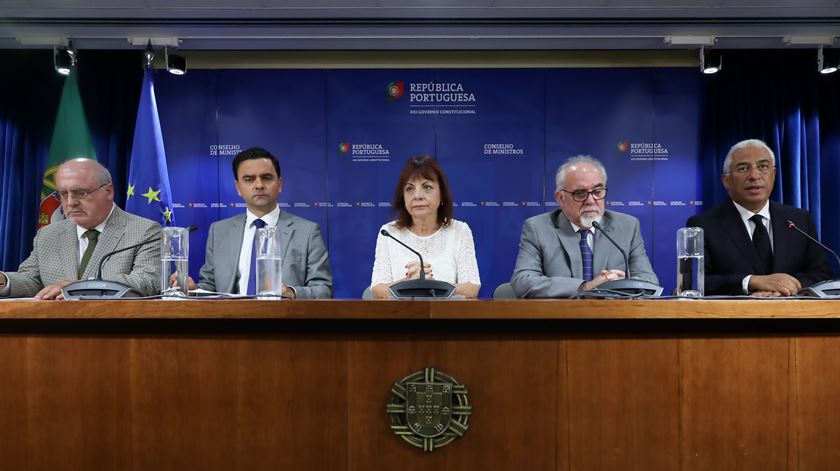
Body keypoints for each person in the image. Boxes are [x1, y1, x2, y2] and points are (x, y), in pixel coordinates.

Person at [0, 158, 161, 299]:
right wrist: (3, 281)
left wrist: (80, 287)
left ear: (108, 191)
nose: (70, 203)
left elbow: (147, 281)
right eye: (63, 194)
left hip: (113, 329)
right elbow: (32, 279)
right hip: (53, 329)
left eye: (81, 193)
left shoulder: (144, 231)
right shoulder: (48, 234)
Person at [686, 139, 830, 296]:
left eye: (763, 167)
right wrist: (751, 281)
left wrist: (787, 287)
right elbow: (694, 283)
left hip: (793, 317)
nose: (754, 175)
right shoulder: (703, 225)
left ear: (774, 175)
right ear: (726, 181)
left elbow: (821, 275)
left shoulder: (800, 220)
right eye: (742, 169)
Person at [189, 147, 332, 299]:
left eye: (267, 177)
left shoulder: (307, 232)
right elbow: (210, 286)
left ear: (280, 184)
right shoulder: (219, 231)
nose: (259, 185)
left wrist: (291, 293)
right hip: (231, 318)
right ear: (238, 188)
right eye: (249, 179)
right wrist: (193, 290)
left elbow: (323, 290)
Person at [511, 155, 658, 298]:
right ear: (561, 198)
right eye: (580, 193)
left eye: (597, 192)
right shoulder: (538, 228)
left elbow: (648, 280)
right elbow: (523, 281)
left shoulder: (627, 226)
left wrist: (618, 284)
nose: (590, 200)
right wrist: (586, 287)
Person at [370, 156, 480, 299]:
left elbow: (471, 288)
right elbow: (377, 289)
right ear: (403, 197)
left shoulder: (459, 231)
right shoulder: (389, 232)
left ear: (442, 195)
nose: (417, 196)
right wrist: (409, 283)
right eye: (409, 188)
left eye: (427, 187)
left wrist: (432, 285)